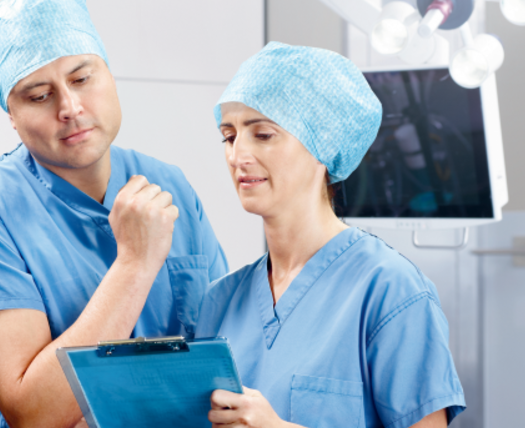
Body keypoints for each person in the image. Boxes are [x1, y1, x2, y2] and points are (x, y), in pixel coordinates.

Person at [0, 0, 228, 428]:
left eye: (82, 78)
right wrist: (133, 265)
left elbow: (225, 352)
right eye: (38, 95)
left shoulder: (169, 185)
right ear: (11, 116)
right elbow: (35, 413)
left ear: (109, 75)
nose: (70, 107)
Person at [195, 42, 465, 428]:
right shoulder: (220, 301)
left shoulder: (390, 290)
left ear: (323, 142)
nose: (238, 155)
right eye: (229, 136)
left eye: (263, 134)